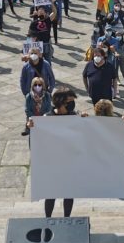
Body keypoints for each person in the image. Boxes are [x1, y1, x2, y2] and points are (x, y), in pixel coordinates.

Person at [27, 86, 85, 217]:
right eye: (69, 101)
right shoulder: (46, 118)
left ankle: (67, 219)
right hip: (53, 165)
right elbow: (35, 145)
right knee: (51, 194)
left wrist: (86, 120)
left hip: (70, 164)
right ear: (61, 102)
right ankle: (48, 219)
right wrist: (33, 129)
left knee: (69, 194)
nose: (72, 104)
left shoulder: (75, 116)